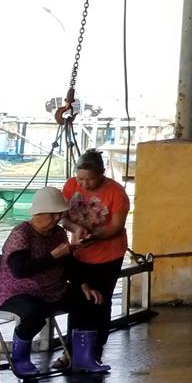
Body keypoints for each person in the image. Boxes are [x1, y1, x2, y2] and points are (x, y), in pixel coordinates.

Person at [0, 189, 108, 377]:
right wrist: (53, 256)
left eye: (59, 214)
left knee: (90, 301)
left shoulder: (58, 233)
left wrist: (83, 284)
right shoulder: (21, 234)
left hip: (53, 289)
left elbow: (69, 263)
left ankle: (82, 356)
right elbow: (20, 270)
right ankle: (20, 358)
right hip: (17, 292)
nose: (56, 218)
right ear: (38, 213)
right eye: (52, 214)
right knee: (33, 313)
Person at [60, 149, 130, 367]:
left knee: (99, 302)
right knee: (78, 300)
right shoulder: (71, 185)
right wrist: (76, 228)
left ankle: (94, 351)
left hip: (108, 255)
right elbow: (63, 217)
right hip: (79, 252)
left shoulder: (116, 192)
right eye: (80, 179)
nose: (84, 184)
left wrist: (95, 237)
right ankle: (70, 351)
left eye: (90, 179)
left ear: (102, 173)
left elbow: (117, 226)